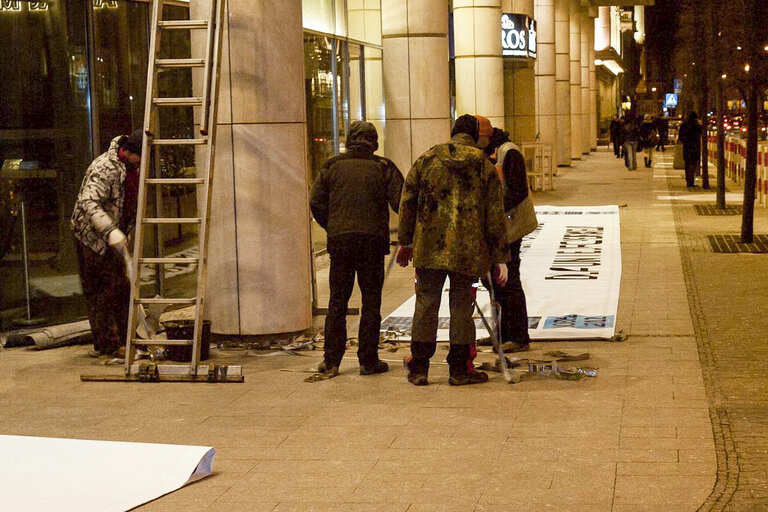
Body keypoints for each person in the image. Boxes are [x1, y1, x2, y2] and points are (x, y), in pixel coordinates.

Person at [396, 114, 509, 386]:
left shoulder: (427, 159)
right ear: (474, 135)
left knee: (425, 303)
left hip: (429, 246)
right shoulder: (483, 165)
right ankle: (459, 369)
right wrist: (500, 257)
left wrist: (406, 242)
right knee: (461, 305)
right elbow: (495, 214)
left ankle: (419, 367)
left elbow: (407, 202)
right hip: (467, 250)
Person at [309, 121, 404, 377]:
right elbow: (402, 202)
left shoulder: (331, 165)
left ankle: (331, 361)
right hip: (372, 243)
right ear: (374, 142)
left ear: (350, 139)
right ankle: (368, 361)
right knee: (371, 301)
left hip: (341, 242)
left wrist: (333, 226)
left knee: (337, 301)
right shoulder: (383, 166)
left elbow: (316, 202)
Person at [71, 130, 143, 360]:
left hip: (113, 234)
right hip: (91, 235)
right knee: (103, 290)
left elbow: (126, 202)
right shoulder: (104, 167)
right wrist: (110, 230)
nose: (141, 162)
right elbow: (88, 201)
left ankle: (127, 338)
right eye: (139, 157)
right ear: (128, 152)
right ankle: (109, 344)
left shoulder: (131, 168)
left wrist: (122, 231)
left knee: (122, 286)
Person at [482, 128, 537, 353]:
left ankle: (518, 336)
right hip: (502, 226)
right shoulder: (497, 152)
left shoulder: (509, 153)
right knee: (495, 282)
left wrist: (494, 210)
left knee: (509, 280)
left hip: (511, 227)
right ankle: (502, 333)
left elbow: (517, 191)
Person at [678, 112, 702, 188]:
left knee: (687, 165)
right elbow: (700, 134)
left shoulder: (683, 126)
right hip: (694, 147)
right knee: (693, 165)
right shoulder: (697, 126)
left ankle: (688, 181)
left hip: (686, 147)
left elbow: (680, 137)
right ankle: (691, 181)